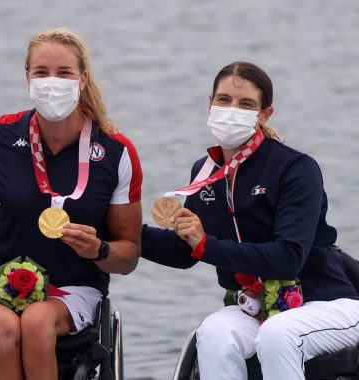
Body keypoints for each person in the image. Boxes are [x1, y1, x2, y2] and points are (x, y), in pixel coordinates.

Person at [0, 28, 143, 379]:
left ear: (82, 79)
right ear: (27, 78)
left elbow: (129, 256)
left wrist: (99, 249)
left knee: (36, 322)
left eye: (63, 73)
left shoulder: (115, 151)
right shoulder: (2, 135)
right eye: (41, 73)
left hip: (75, 283)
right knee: (1, 330)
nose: (52, 82)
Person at [141, 61, 359, 379]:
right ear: (210, 103)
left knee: (278, 334)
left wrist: (205, 244)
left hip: (327, 302)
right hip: (256, 307)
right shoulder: (205, 171)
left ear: (264, 114)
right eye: (224, 100)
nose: (232, 109)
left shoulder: (296, 169)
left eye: (246, 104)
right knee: (214, 332)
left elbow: (287, 260)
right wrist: (115, 232)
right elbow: (183, 251)